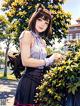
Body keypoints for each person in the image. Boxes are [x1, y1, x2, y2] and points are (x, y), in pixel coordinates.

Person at [14, 3, 63, 106]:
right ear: (34, 19)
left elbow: (43, 64)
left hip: (41, 83)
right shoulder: (26, 34)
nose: (42, 24)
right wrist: (49, 60)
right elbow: (26, 61)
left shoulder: (43, 42)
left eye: (46, 22)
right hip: (28, 82)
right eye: (40, 20)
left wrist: (55, 60)